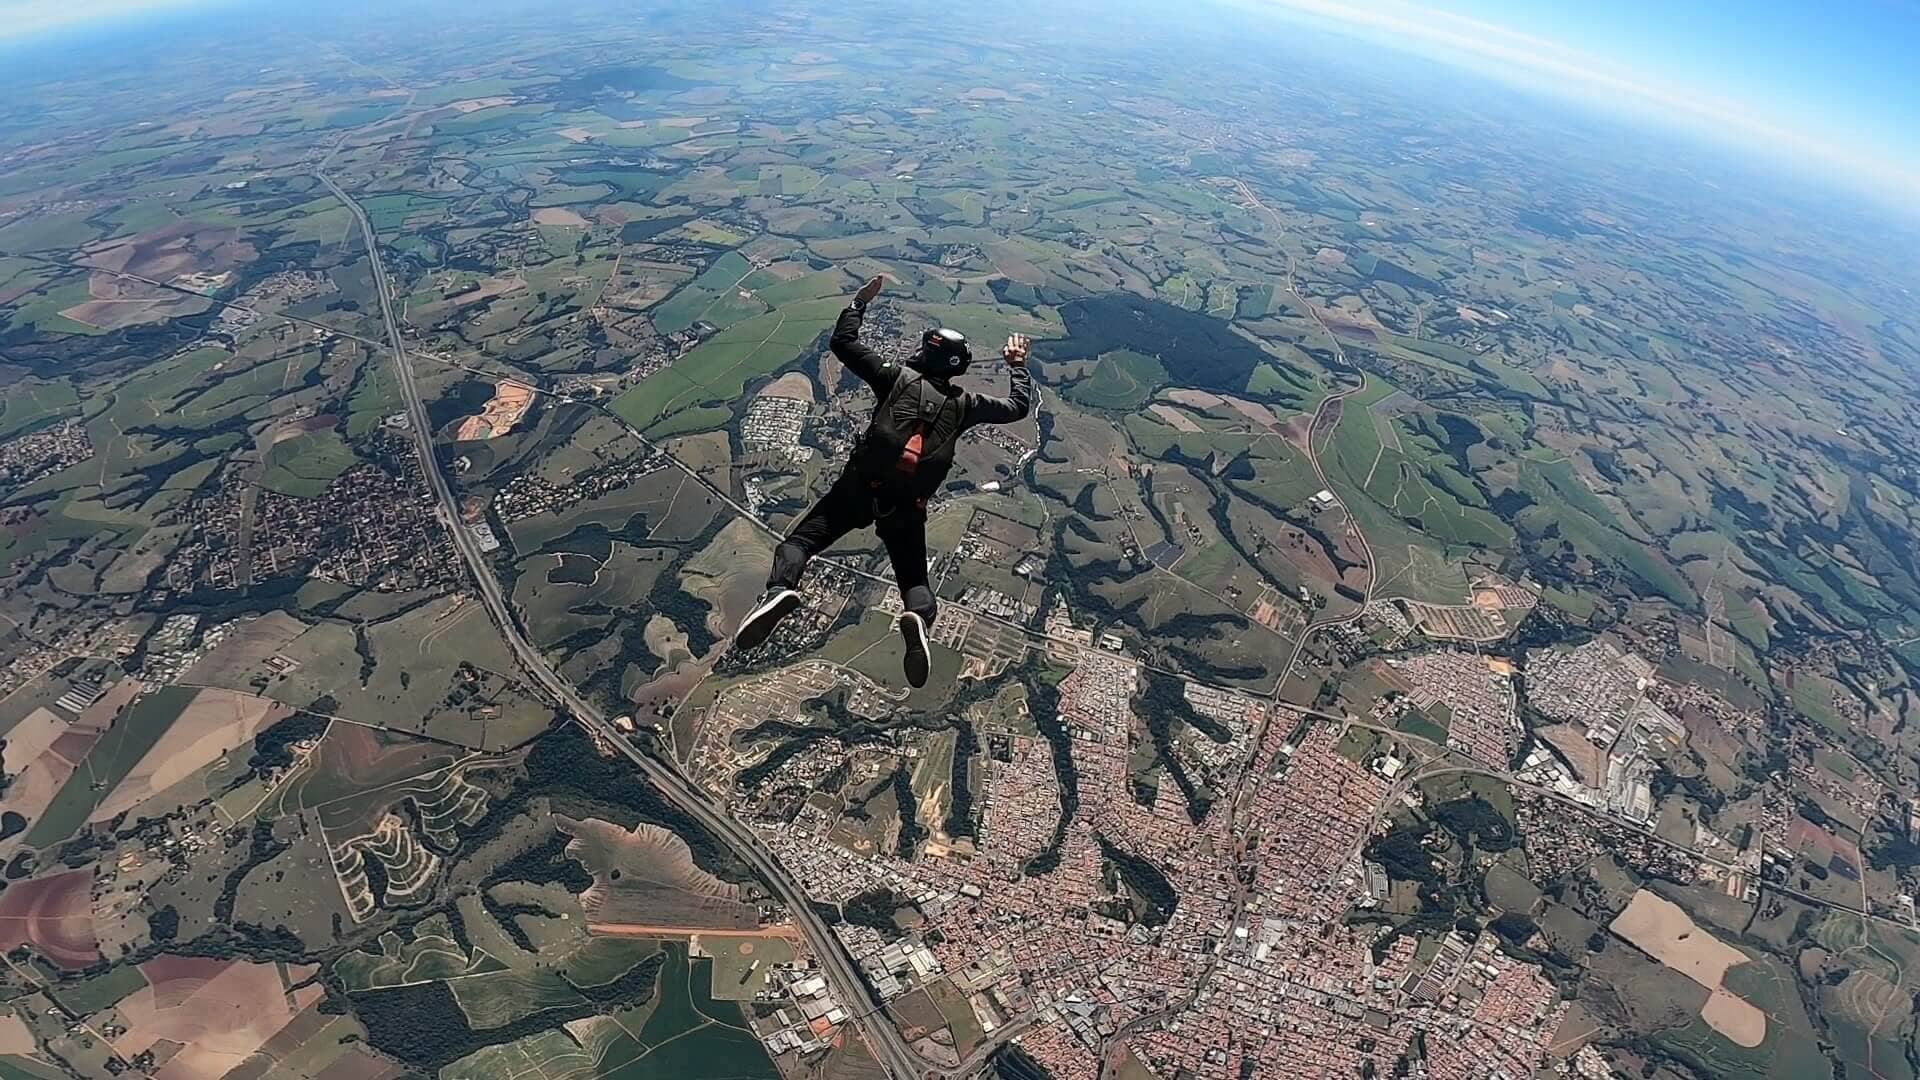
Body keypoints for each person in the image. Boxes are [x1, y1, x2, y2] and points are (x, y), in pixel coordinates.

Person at [734, 274, 1034, 687]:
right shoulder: (966, 404)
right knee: (914, 581)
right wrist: (1017, 365)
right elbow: (1018, 407)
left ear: (924, 354)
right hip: (907, 507)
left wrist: (858, 303)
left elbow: (843, 343)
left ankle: (780, 590)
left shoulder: (895, 378)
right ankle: (918, 618)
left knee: (798, 544)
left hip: (859, 488)